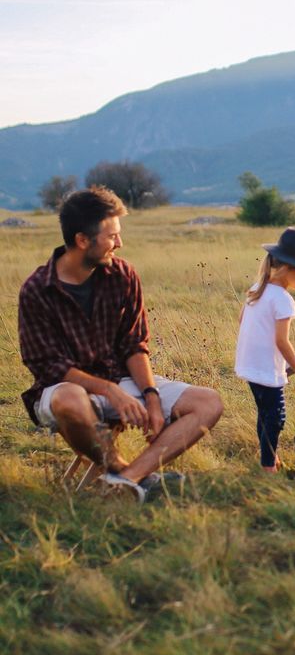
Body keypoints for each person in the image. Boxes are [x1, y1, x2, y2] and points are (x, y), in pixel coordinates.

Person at [18, 187, 224, 502]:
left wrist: (152, 398)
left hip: (121, 381)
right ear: (82, 240)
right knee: (72, 399)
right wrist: (108, 390)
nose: (120, 243)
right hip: (62, 390)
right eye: (112, 236)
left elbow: (134, 344)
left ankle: (127, 479)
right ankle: (126, 472)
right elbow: (49, 366)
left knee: (208, 402)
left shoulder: (122, 275)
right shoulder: (37, 290)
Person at [235, 228, 295, 472]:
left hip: (250, 364)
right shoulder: (283, 298)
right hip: (266, 370)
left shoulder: (258, 287)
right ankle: (268, 467)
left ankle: (270, 457)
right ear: (289, 267)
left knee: (265, 415)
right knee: (276, 418)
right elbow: (282, 341)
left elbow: (241, 319)